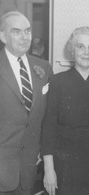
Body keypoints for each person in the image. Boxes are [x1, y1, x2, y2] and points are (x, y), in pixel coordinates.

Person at [41, 26, 89, 195]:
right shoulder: (57, 82)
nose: (86, 52)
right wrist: (49, 170)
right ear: (72, 50)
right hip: (65, 166)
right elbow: (48, 129)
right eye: (80, 46)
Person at [0, 11, 53, 195]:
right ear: (2, 36)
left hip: (29, 171)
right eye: (16, 32)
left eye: (28, 31)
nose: (25, 37)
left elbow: (48, 118)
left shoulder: (44, 68)